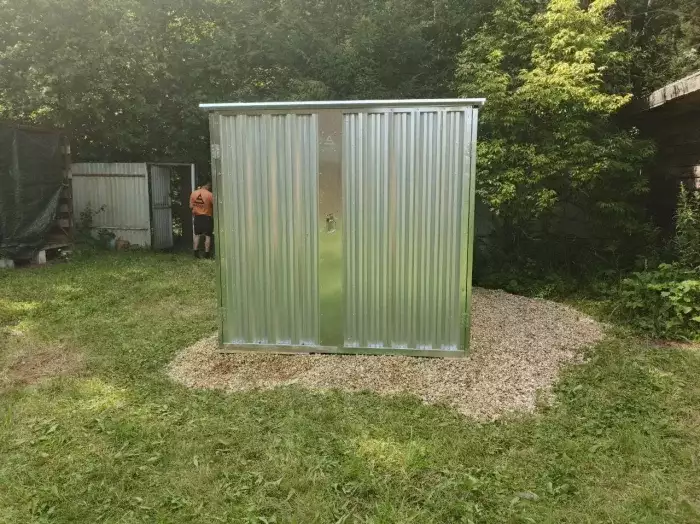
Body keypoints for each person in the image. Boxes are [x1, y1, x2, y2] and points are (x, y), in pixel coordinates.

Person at [189, 181, 214, 258]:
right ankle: (207, 255)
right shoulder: (210, 194)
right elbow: (214, 205)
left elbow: (191, 206)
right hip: (207, 217)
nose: (210, 187)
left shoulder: (194, 193)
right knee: (208, 236)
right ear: (207, 185)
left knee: (197, 235)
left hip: (197, 217)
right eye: (209, 186)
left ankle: (196, 254)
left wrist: (198, 206)